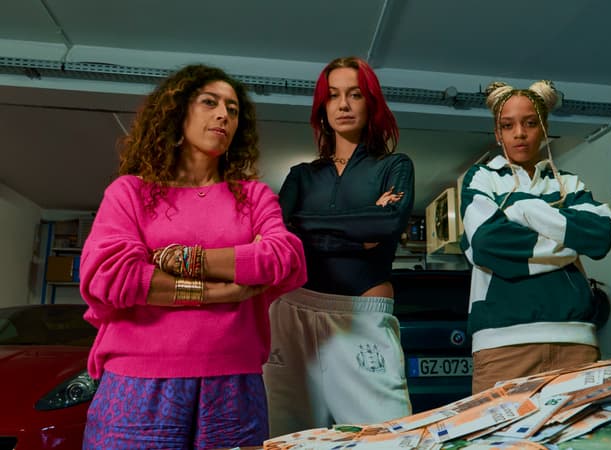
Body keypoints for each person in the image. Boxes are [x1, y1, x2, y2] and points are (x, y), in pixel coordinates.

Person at [78, 64, 307, 449]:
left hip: (234, 384)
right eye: (209, 102)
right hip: (139, 385)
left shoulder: (253, 196)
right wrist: (222, 291)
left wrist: (185, 259)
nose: (223, 115)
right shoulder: (130, 192)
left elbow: (285, 258)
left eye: (232, 109)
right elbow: (112, 275)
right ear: (178, 112)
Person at [263, 56, 414, 436]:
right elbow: (280, 235)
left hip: (362, 315)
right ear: (322, 107)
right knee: (287, 438)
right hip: (292, 313)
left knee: (386, 438)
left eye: (355, 94)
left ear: (371, 103)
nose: (343, 104)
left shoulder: (394, 166)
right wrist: (359, 228)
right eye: (333, 95)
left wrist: (306, 223)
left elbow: (386, 224)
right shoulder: (302, 175)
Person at [460, 80, 611, 394]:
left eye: (530, 123)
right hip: (502, 344)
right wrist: (567, 245)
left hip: (575, 340)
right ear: (497, 133)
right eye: (508, 125)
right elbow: (487, 243)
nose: (519, 133)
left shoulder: (569, 183)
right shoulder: (481, 178)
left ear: (544, 129)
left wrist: (524, 211)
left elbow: (600, 235)